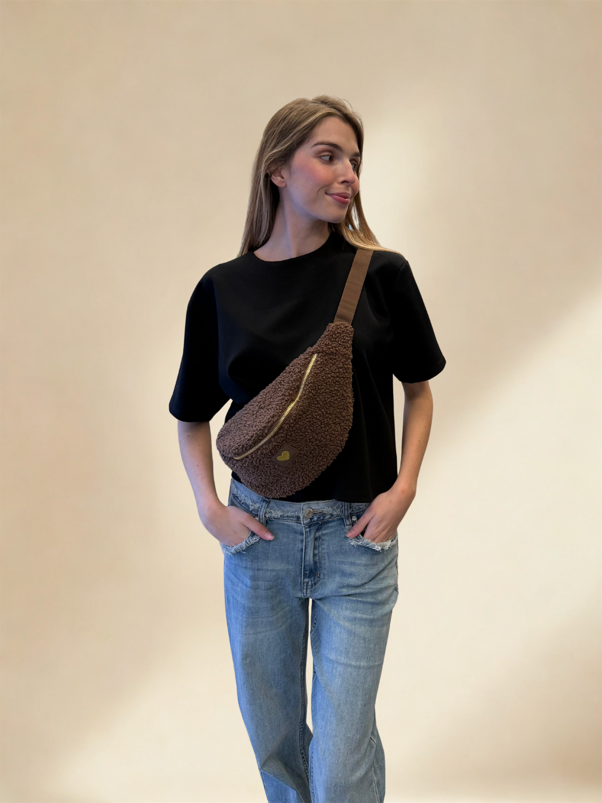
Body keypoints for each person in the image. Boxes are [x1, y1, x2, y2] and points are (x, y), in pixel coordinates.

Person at [169, 95, 446, 803]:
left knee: (342, 756)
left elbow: (419, 391)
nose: (348, 173)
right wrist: (209, 509)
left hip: (359, 538)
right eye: (328, 156)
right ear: (277, 169)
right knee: (276, 742)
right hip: (259, 540)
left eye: (354, 160)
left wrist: (404, 488)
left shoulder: (382, 274)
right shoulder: (221, 290)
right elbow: (191, 416)